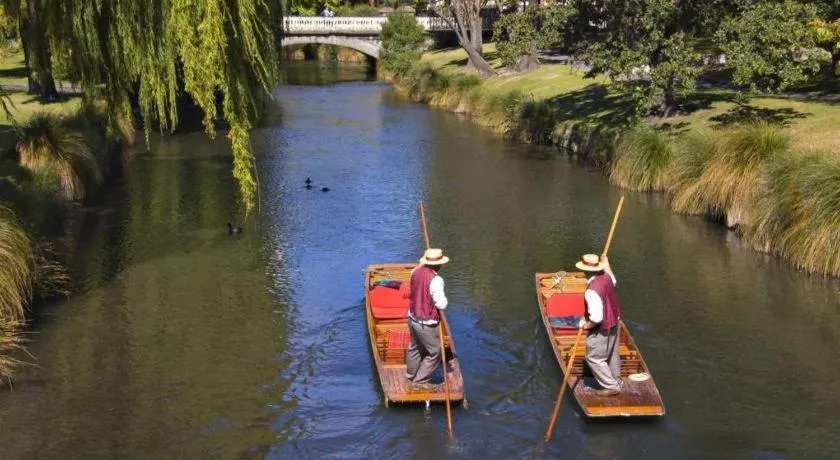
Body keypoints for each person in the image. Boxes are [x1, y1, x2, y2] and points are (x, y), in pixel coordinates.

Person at [576, 253, 623, 396]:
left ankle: (611, 386)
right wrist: (606, 263)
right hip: (616, 321)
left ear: (584, 270)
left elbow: (596, 318)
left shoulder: (591, 290)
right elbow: (614, 280)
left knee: (594, 358)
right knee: (612, 354)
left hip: (603, 327)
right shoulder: (606, 277)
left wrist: (585, 325)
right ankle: (616, 380)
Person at [405, 247, 450, 391]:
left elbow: (418, 267)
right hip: (426, 323)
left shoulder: (415, 272)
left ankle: (410, 375)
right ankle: (419, 381)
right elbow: (441, 304)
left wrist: (423, 262)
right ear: (439, 264)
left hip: (412, 318)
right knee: (435, 352)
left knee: (414, 347)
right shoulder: (436, 280)